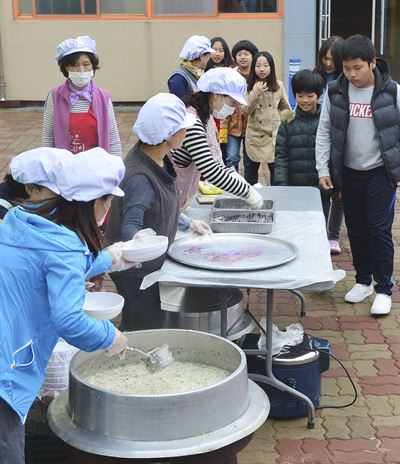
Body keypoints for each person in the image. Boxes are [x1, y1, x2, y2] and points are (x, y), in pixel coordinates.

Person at [0, 147, 134, 463]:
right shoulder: (66, 245)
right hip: (6, 370)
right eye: (109, 200)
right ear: (96, 202)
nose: (110, 208)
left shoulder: (26, 219)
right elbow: (69, 319)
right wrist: (110, 337)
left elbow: (45, 263)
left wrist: (109, 259)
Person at [105, 93, 210, 331]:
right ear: (168, 135)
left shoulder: (157, 158)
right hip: (135, 272)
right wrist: (140, 239)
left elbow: (159, 203)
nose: (186, 133)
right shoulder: (140, 177)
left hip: (148, 266)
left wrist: (185, 223)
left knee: (153, 320)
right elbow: (130, 226)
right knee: (143, 327)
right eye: (183, 129)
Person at [316, 34, 400, 315]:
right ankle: (363, 281)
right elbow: (324, 131)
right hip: (348, 174)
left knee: (379, 231)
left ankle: (384, 288)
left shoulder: (392, 92)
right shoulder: (335, 92)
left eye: (357, 68)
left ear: (372, 63)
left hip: (381, 174)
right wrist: (323, 169)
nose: (351, 74)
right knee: (356, 231)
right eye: (347, 68)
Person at [170, 67, 263, 210]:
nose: (234, 108)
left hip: (176, 198)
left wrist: (232, 176)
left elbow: (216, 161)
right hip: (166, 196)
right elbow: (211, 171)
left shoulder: (206, 117)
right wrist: (247, 192)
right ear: (216, 95)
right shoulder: (191, 122)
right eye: (233, 103)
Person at [42, 35, 122, 156]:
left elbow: (113, 138)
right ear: (65, 68)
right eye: (74, 65)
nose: (81, 70)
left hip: (97, 166)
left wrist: (116, 168)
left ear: (93, 66)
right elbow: (48, 137)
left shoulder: (104, 98)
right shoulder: (54, 97)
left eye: (86, 64)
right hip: (66, 167)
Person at [274, 69, 327, 200]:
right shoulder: (287, 121)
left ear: (319, 95)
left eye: (310, 96)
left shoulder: (326, 120)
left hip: (320, 188)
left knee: (320, 220)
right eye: (300, 95)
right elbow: (281, 155)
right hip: (294, 189)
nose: (305, 100)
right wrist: (281, 183)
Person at [315, 36, 345, 255]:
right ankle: (318, 231)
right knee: (322, 188)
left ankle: (333, 235)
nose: (328, 63)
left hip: (338, 140)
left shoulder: (345, 81)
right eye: (325, 58)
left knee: (339, 192)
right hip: (317, 138)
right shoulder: (316, 78)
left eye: (332, 59)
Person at [243, 51, 291, 185]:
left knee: (275, 171)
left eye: (266, 65)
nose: (262, 69)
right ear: (253, 68)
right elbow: (245, 111)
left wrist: (285, 122)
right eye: (258, 65)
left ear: (272, 67)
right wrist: (254, 93)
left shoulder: (278, 85)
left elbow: (285, 107)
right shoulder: (247, 86)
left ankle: (275, 197)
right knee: (251, 172)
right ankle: (250, 197)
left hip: (273, 134)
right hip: (255, 134)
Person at [225, 40, 259, 175]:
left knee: (249, 161)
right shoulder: (230, 76)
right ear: (234, 57)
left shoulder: (258, 75)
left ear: (253, 56)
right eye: (239, 54)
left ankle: (248, 186)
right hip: (233, 124)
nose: (243, 57)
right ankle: (231, 184)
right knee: (232, 157)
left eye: (246, 54)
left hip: (252, 125)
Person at [205, 37, 234, 164]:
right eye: (214, 50)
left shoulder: (232, 70)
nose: (217, 54)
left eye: (221, 50)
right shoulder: (205, 70)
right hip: (212, 113)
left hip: (228, 115)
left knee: (230, 152)